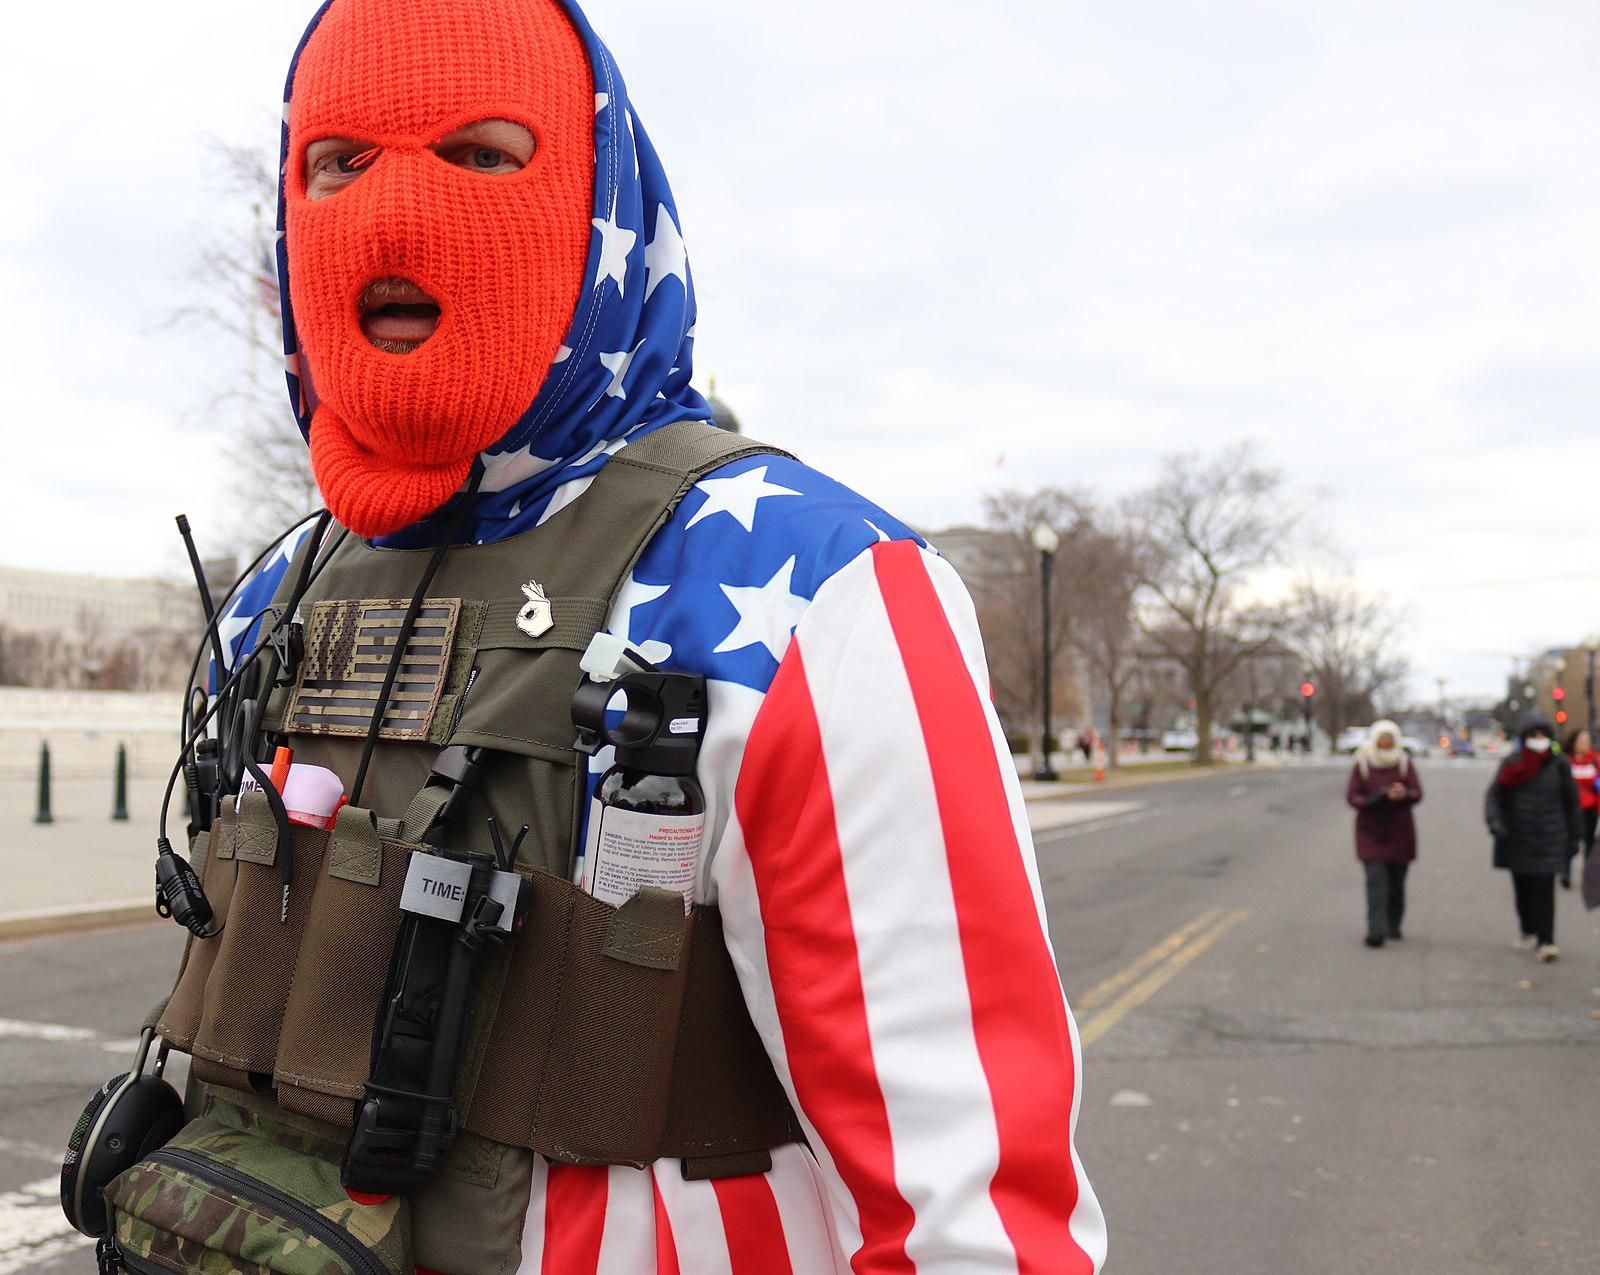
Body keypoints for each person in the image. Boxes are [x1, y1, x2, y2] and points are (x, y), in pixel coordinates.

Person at [105, 2, 1106, 1272]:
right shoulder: (276, 593)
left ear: (598, 206)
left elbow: (968, 1214)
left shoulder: (816, 588)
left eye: (478, 152)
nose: (391, 216)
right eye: (338, 163)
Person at [1485, 714, 1579, 962]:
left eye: (1543, 735)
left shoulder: (1558, 764)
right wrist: (1496, 823)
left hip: (1551, 836)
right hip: (1518, 836)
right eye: (1534, 735)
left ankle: (1546, 940)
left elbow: (1571, 801)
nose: (1539, 740)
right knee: (1524, 888)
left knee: (1545, 889)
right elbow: (1494, 796)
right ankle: (1528, 928)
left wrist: (1575, 835)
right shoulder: (1512, 764)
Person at [1345, 720, 1423, 947]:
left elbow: (1417, 793)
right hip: (1371, 831)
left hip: (1400, 831)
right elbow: (1353, 796)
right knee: (1376, 881)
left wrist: (1404, 794)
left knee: (1396, 882)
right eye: (1383, 739)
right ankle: (1376, 930)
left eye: (1390, 739)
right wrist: (1375, 798)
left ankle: (1393, 924)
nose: (1386, 743)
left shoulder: (1404, 763)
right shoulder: (1362, 763)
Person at [1561, 726, 1597, 889]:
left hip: (1590, 808)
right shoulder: (1566, 761)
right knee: (1570, 841)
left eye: (1587, 741)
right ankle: (1566, 872)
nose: (1584, 744)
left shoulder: (1595, 760)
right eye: (1581, 741)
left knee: (1589, 842)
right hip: (1571, 809)